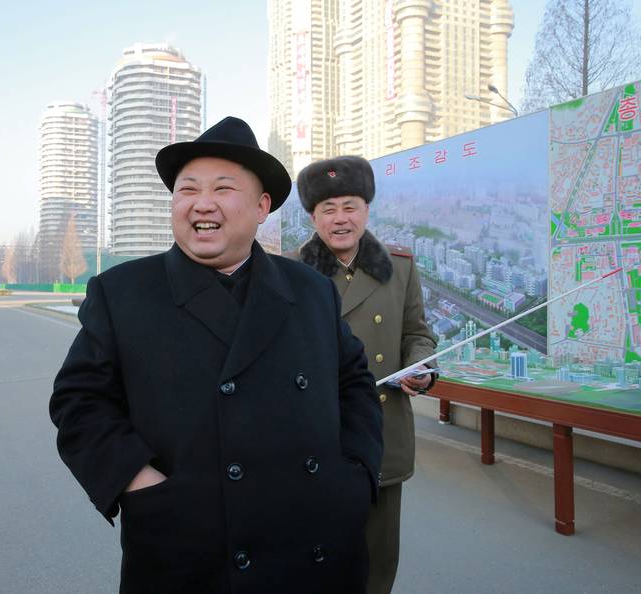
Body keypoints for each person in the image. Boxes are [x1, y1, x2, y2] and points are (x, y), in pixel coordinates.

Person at [50, 117, 383, 594]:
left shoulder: (310, 290)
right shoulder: (122, 292)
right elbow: (77, 403)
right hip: (187, 555)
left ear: (262, 205)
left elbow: (354, 382)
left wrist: (356, 473)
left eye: (223, 188)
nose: (201, 204)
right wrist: (139, 482)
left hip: (316, 548)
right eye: (187, 190)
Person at [295, 156, 438, 594]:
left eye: (350, 206)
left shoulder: (400, 267)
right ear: (314, 217)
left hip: (381, 428)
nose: (341, 219)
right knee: (315, 549)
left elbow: (417, 333)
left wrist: (422, 367)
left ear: (366, 209)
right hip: (315, 431)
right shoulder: (291, 274)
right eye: (329, 209)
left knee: (378, 555)